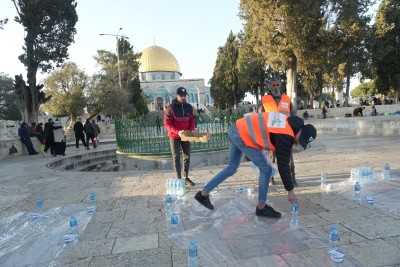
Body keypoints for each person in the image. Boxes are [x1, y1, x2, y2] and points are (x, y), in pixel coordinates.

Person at [194, 112, 317, 217]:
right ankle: (261, 207)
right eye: (299, 139)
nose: (296, 143)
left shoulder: (287, 122)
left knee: (231, 168)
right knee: (266, 169)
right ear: (301, 130)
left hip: (236, 129)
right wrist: (290, 190)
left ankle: (203, 194)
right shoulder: (286, 134)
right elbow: (283, 164)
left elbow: (264, 131)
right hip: (242, 135)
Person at [261, 78, 297, 186]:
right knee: (271, 159)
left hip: (286, 134)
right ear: (270, 87)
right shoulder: (265, 100)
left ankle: (292, 179)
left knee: (289, 158)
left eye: (277, 85)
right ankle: (270, 179)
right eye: (273, 85)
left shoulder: (286, 99)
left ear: (280, 85)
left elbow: (293, 114)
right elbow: (260, 116)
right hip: (271, 134)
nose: (276, 87)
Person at [164, 87, 196, 186]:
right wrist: (177, 132)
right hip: (175, 135)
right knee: (176, 157)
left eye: (184, 96)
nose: (183, 97)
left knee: (187, 156)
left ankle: (185, 177)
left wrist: (190, 130)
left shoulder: (189, 107)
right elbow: (166, 123)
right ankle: (178, 180)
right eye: (181, 96)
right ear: (177, 96)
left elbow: (192, 120)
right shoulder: (170, 108)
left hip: (185, 135)